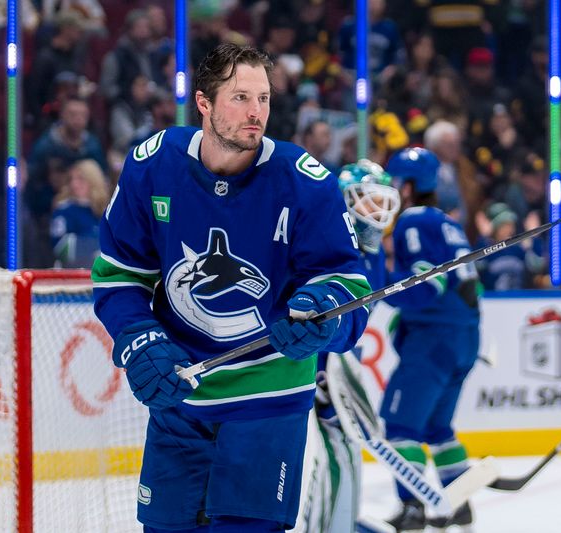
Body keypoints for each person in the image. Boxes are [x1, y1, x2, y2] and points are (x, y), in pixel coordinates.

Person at [91, 43, 371, 533]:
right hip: (181, 392)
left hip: (270, 397)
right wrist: (140, 339)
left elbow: (346, 286)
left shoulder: (305, 182)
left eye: (263, 98)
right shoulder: (153, 166)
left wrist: (322, 314)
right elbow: (119, 276)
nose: (256, 112)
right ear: (204, 102)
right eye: (241, 97)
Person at [293, 159, 400, 533]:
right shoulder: (329, 244)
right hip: (310, 366)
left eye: (381, 202)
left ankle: (338, 522)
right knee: (335, 446)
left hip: (338, 365)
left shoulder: (374, 257)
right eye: (368, 201)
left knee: (343, 444)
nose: (377, 211)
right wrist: (320, 368)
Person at [379, 147, 481, 531]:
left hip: (433, 339)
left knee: (402, 426)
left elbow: (426, 284)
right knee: (438, 429)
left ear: (408, 186)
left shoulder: (413, 221)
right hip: (463, 339)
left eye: (394, 181)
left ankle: (412, 508)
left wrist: (382, 288)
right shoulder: (447, 222)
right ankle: (459, 501)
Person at [50, 159, 109, 268]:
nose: (74, 184)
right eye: (71, 179)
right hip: (71, 275)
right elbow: (61, 248)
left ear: (93, 181)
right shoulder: (63, 211)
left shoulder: (107, 212)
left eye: (81, 179)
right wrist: (98, 245)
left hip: (101, 275)